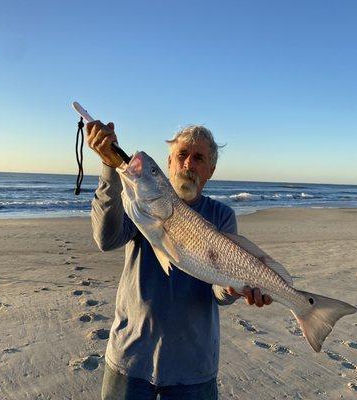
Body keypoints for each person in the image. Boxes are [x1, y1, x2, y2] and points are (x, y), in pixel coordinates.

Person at [86, 121, 273, 400]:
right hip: (131, 356)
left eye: (199, 158)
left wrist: (232, 289)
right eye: (182, 155)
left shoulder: (221, 216)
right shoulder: (140, 204)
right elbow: (106, 239)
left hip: (193, 367)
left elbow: (219, 292)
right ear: (169, 163)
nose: (188, 164)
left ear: (210, 171)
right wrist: (108, 166)